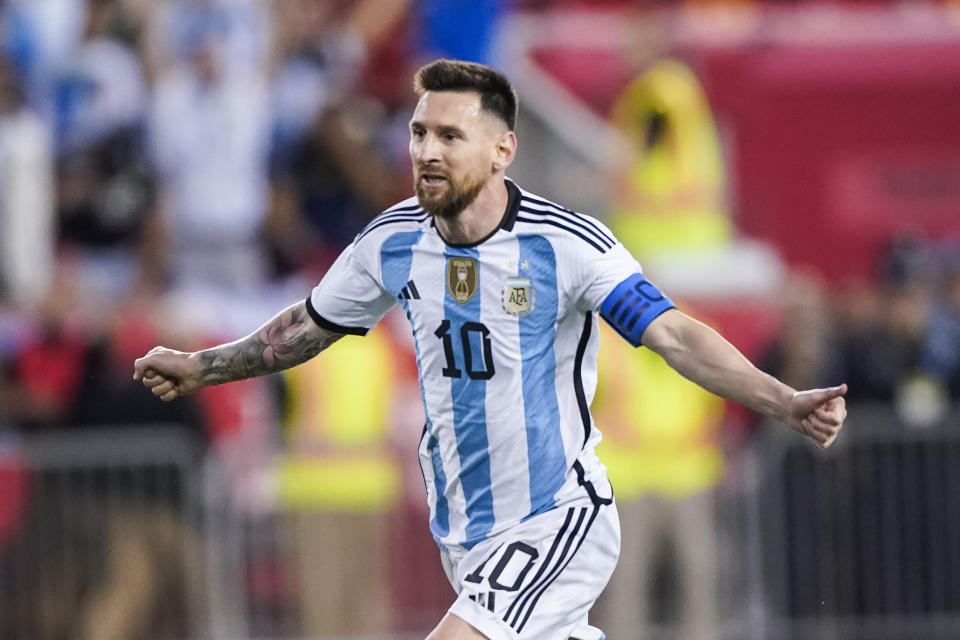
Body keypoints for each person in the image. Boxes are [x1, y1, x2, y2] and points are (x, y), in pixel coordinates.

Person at [133, 58, 848, 640]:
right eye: (418, 134)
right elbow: (304, 328)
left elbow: (675, 335)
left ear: (503, 148)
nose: (426, 152)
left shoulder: (566, 245)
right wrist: (204, 366)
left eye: (450, 135)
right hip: (469, 536)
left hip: (558, 518)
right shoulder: (393, 242)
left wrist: (781, 398)